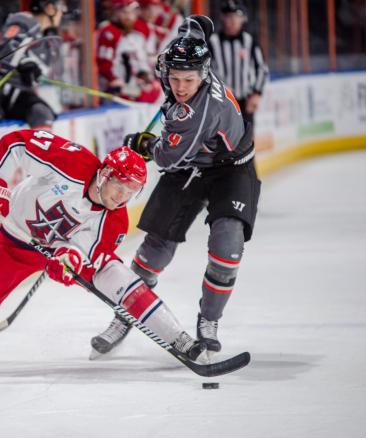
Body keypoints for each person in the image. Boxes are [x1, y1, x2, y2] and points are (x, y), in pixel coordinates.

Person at [0, 128, 209, 379]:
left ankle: (178, 339)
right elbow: (14, 143)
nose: (123, 198)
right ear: (105, 174)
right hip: (11, 242)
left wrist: (68, 261)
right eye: (120, 186)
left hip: (50, 250)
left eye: (132, 191)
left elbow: (90, 255)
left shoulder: (114, 219)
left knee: (116, 275)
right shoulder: (71, 161)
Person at [90, 15, 260, 358]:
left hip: (230, 169)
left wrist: (144, 145)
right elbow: (193, 29)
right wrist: (197, 25)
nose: (180, 87)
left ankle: (209, 322)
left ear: (203, 74)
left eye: (189, 80)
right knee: (155, 249)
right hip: (191, 165)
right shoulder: (185, 65)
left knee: (227, 249)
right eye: (175, 78)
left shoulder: (199, 112)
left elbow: (167, 159)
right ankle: (125, 316)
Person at [0, 0, 64, 130]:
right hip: (0, 88)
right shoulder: (25, 22)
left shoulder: (47, 38)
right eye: (61, 8)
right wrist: (25, 63)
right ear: (50, 8)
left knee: (45, 113)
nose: (62, 12)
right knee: (41, 113)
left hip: (20, 92)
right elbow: (7, 50)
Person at [208, 0, 268, 128]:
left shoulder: (250, 42)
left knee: (246, 143)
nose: (233, 21)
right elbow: (206, 71)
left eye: (237, 16)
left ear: (243, 19)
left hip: (245, 101)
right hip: (221, 102)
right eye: (229, 16)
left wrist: (256, 94)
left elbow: (262, 69)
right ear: (223, 18)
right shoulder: (213, 43)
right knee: (222, 143)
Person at [96, 0, 160, 103]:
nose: (128, 16)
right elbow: (104, 66)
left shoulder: (137, 35)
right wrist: (114, 82)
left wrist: (144, 77)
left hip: (135, 92)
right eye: (124, 12)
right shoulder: (108, 32)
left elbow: (142, 63)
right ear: (115, 12)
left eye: (132, 12)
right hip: (115, 95)